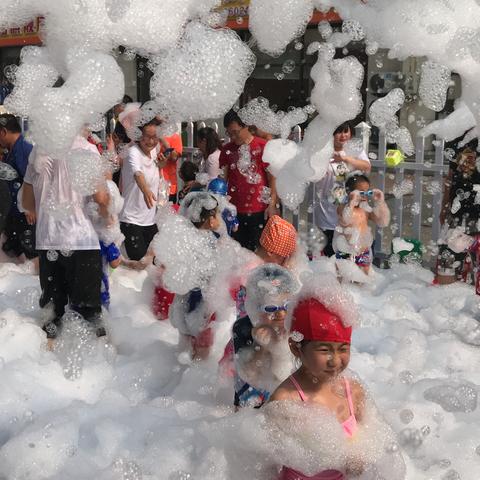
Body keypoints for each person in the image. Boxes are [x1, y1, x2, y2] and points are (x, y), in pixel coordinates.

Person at [21, 133, 110, 338]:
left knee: (51, 316)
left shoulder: (38, 150)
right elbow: (101, 199)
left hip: (48, 241)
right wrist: (108, 218)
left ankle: (50, 364)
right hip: (82, 242)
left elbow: (27, 203)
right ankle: (97, 365)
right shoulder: (87, 150)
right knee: (89, 317)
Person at [269, 295, 364, 479]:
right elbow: (265, 464)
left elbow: (367, 441)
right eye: (324, 350)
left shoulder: (354, 391)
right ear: (296, 348)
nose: (335, 360)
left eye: (343, 349)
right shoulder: (285, 400)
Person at [232, 263, 298, 409]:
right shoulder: (243, 327)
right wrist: (260, 346)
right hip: (252, 395)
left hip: (285, 393)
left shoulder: (294, 325)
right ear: (255, 307)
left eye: (286, 305)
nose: (280, 314)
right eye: (270, 308)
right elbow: (248, 373)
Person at [169, 192, 221, 360]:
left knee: (187, 336)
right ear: (210, 219)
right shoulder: (212, 240)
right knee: (203, 341)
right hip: (203, 300)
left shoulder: (186, 239)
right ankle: (199, 367)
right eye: (217, 214)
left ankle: (184, 365)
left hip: (188, 297)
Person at [219, 110, 279, 251]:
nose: (233, 137)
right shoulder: (227, 150)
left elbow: (272, 179)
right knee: (238, 253)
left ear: (245, 126)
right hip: (234, 211)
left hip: (258, 209)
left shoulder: (263, 146)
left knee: (257, 253)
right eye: (229, 133)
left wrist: (272, 204)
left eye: (235, 132)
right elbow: (223, 179)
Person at [313, 122, 371, 257]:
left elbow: (367, 166)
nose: (343, 135)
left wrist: (346, 158)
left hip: (350, 213)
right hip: (327, 212)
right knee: (329, 255)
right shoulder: (322, 152)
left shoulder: (354, 150)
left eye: (346, 131)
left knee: (349, 253)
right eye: (339, 132)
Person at [119, 117, 165, 262]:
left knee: (155, 261)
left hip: (150, 219)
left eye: (155, 137)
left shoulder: (154, 150)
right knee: (138, 261)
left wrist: (161, 165)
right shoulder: (133, 152)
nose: (151, 141)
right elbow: (137, 173)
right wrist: (145, 190)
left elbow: (153, 169)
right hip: (131, 219)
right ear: (139, 135)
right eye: (147, 137)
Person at [437, 146, 480, 289]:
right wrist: (444, 207)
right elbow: (449, 182)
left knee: (476, 268)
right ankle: (443, 300)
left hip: (476, 219)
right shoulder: (458, 141)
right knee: (447, 262)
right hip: (455, 218)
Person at [334, 174, 390, 274]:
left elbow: (382, 222)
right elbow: (344, 219)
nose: (364, 195)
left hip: (363, 251)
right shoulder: (342, 207)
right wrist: (351, 202)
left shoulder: (366, 209)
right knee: (342, 276)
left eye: (367, 192)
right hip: (345, 251)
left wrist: (380, 202)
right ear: (349, 192)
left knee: (364, 277)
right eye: (361, 192)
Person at [0, 113, 37, 263]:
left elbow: (32, 180)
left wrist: (30, 208)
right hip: (15, 213)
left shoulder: (23, 148)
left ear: (3, 132)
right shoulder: (12, 150)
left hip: (25, 215)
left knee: (30, 255)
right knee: (11, 250)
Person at [160, 126, 183, 203]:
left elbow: (174, 157)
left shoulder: (175, 136)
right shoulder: (151, 135)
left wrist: (164, 142)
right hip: (152, 182)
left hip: (168, 186)